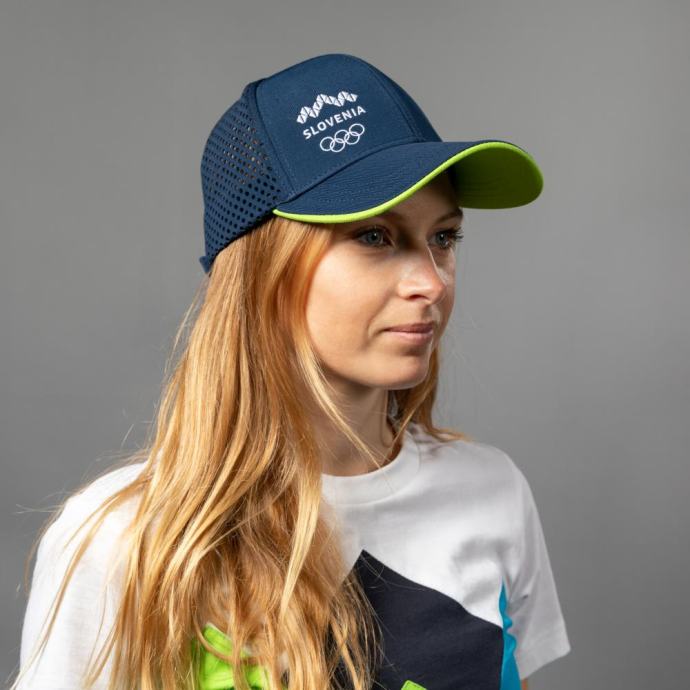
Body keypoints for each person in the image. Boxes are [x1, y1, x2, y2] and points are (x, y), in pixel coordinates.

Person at [12, 52, 571, 690]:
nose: (431, 282)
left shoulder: (492, 493)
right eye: (375, 236)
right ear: (264, 271)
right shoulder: (125, 541)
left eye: (444, 238)